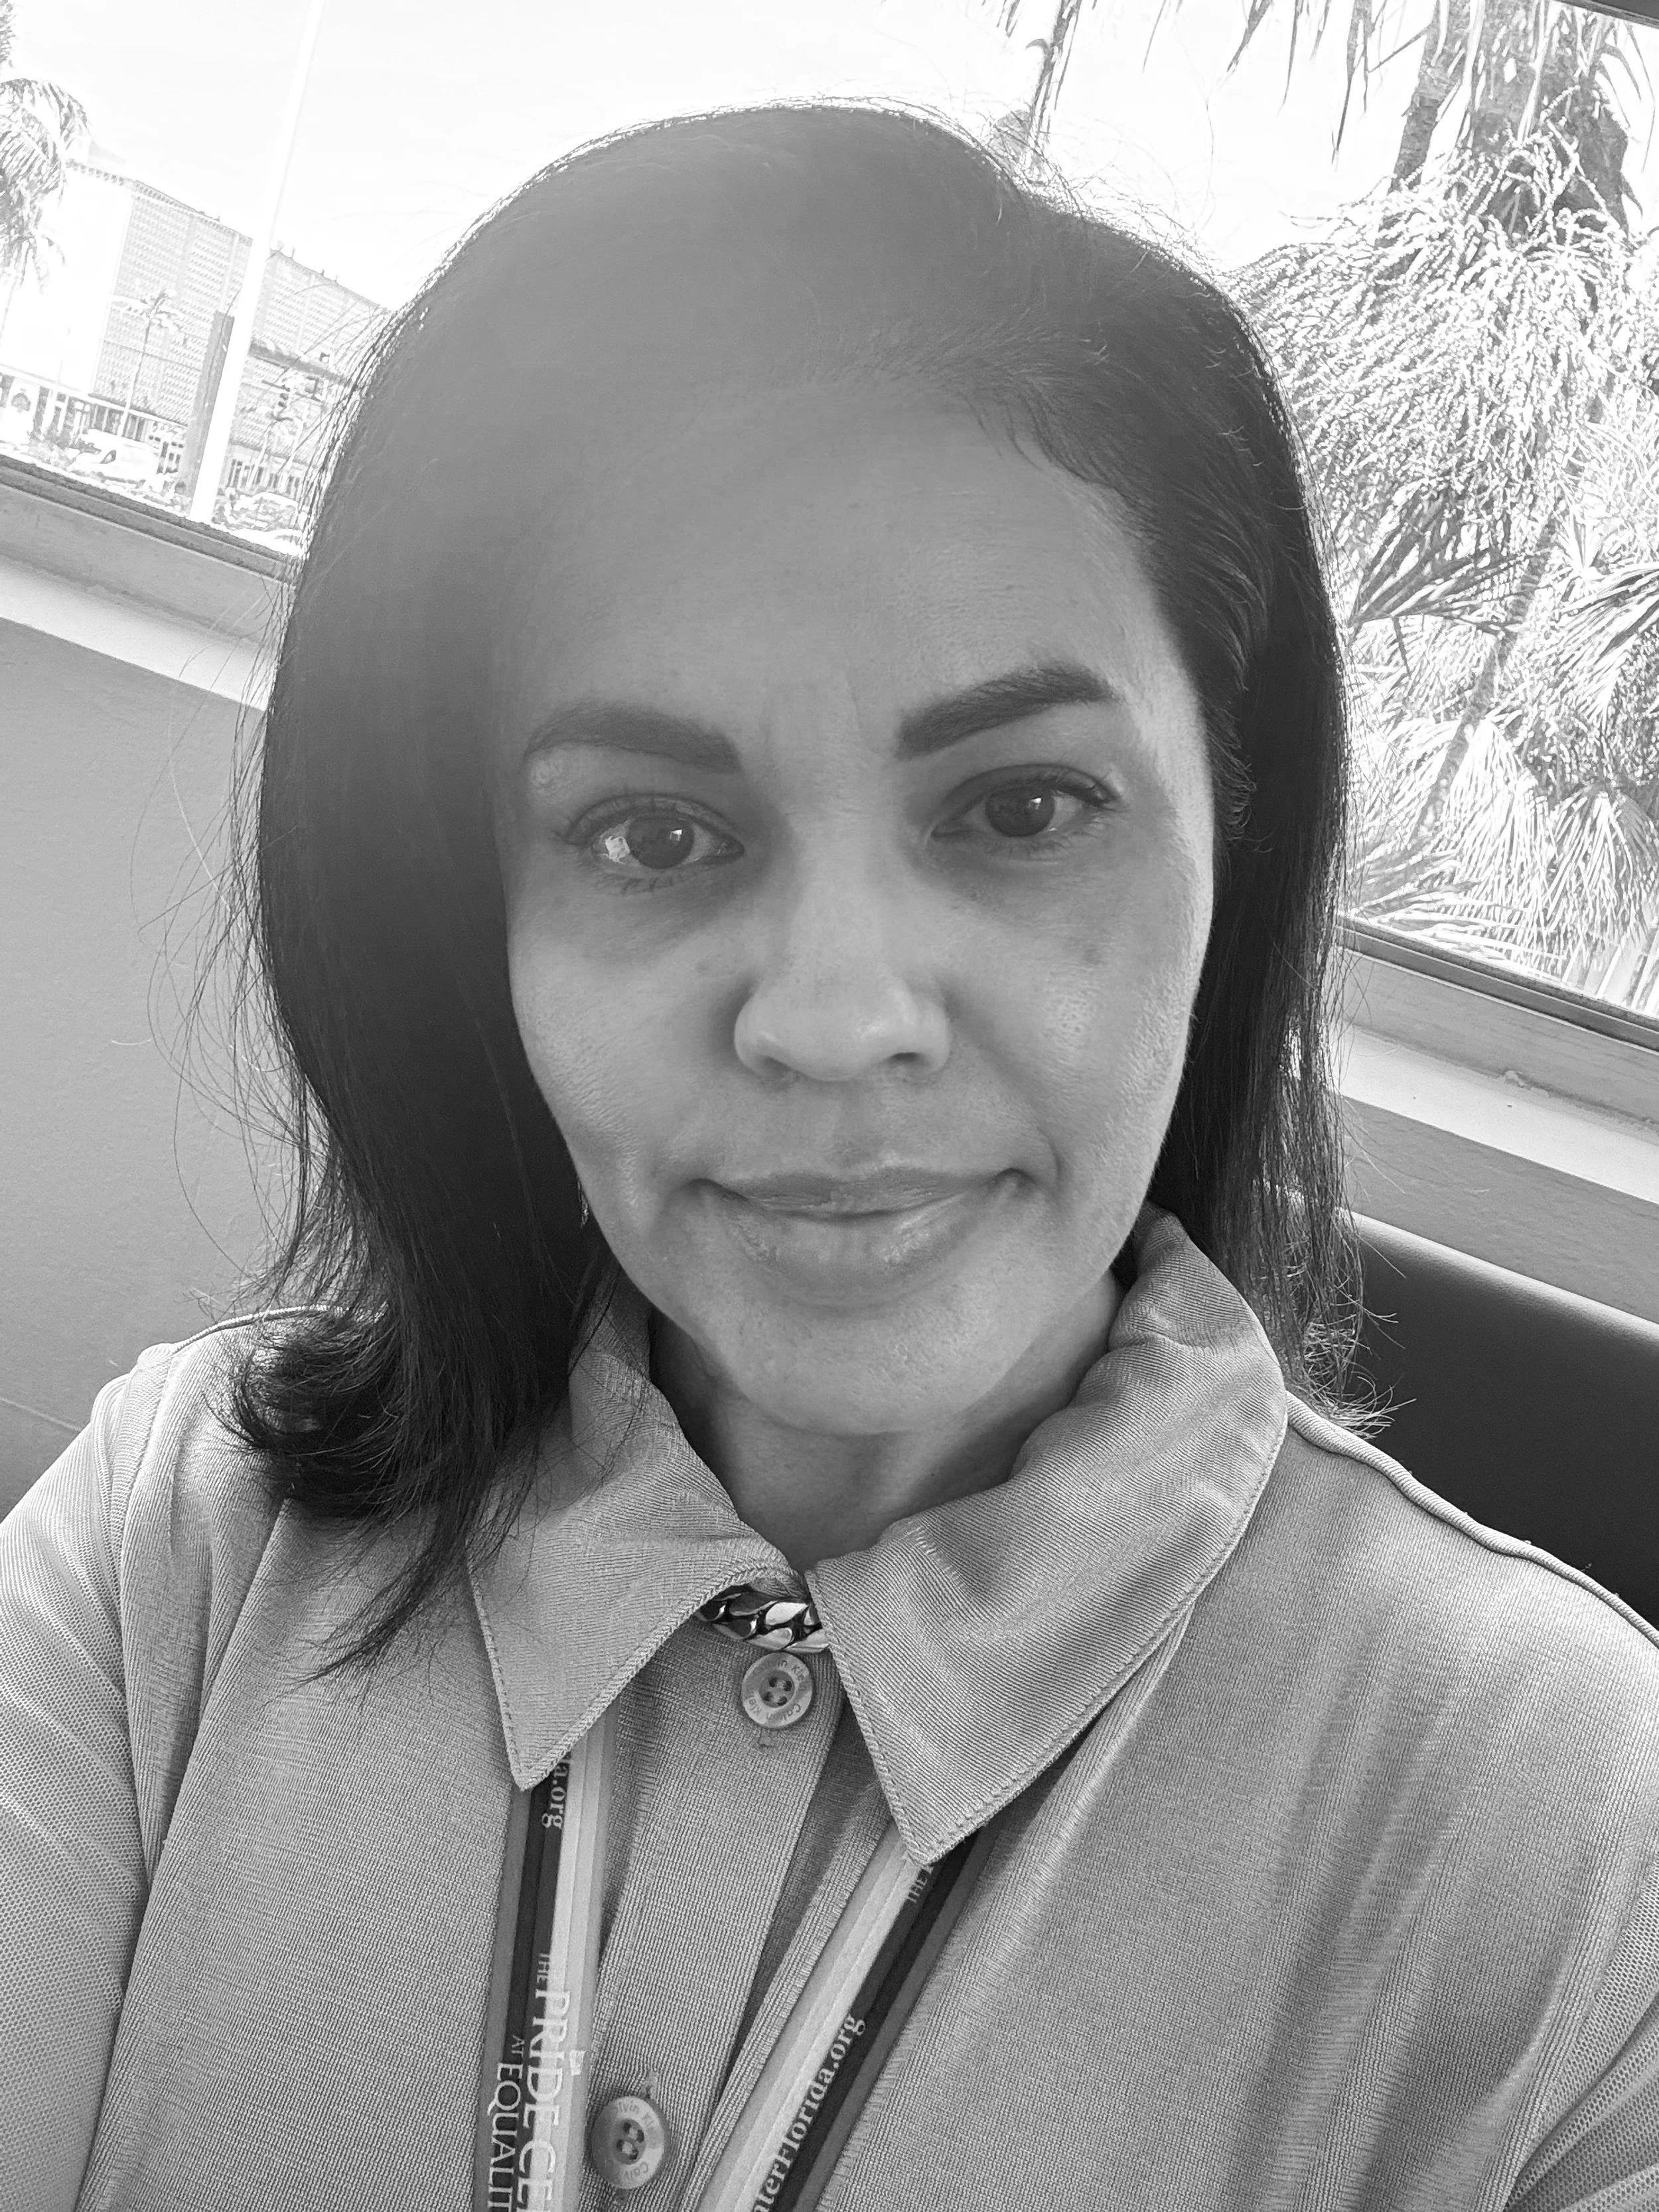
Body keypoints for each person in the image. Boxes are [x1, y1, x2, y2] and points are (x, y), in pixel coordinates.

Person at [3, 100, 1657, 2212]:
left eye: (1019, 807)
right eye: (652, 835)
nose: (835, 1015)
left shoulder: (1574, 1849)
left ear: (1230, 849)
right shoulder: (181, 1545)